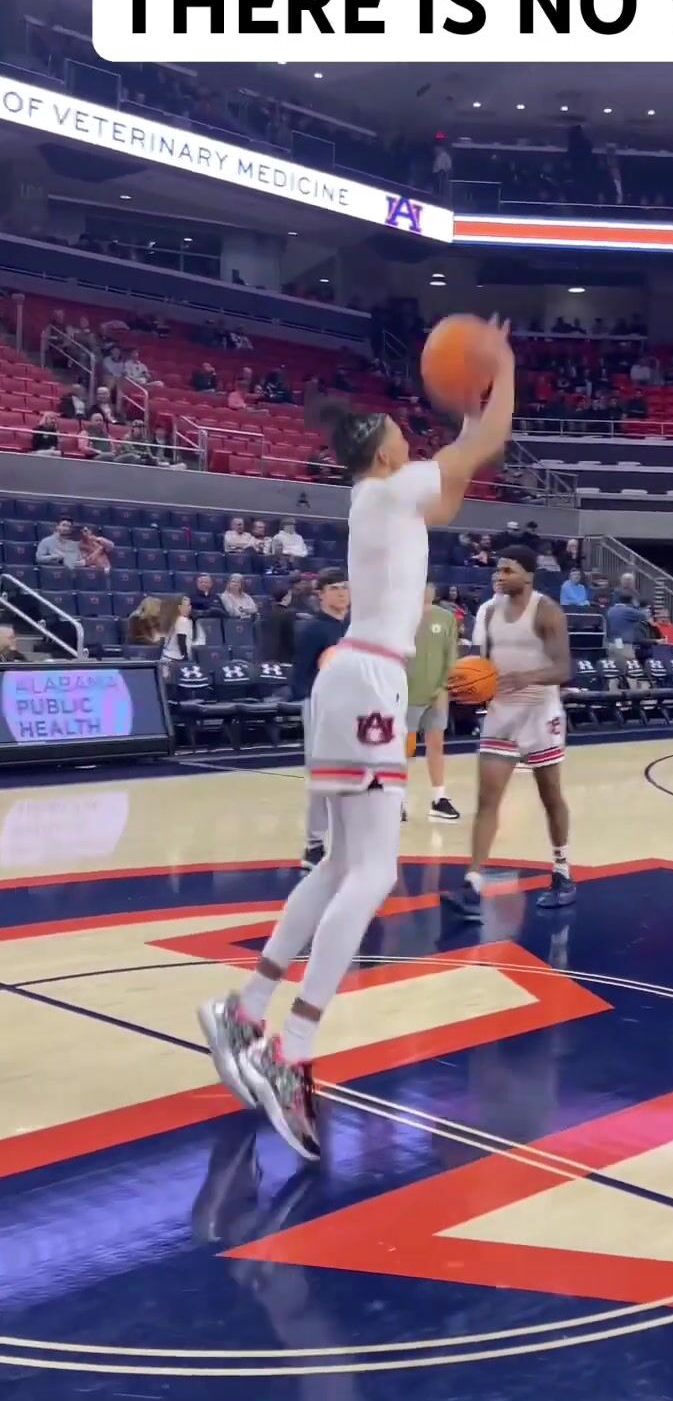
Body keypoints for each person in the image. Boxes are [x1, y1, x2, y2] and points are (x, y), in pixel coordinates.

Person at [198, 322, 516, 1160]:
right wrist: (503, 368)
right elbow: (485, 446)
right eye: (403, 435)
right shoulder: (387, 489)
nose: (413, 439)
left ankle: (245, 1010)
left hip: (354, 678)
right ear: (383, 453)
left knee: (342, 865)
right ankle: (290, 1051)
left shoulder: (383, 497)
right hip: (371, 681)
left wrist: (469, 411)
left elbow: (454, 487)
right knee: (371, 873)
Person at [442, 543, 573, 921]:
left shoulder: (546, 611)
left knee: (551, 796)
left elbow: (563, 668)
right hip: (501, 712)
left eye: (507, 570)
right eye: (497, 569)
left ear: (528, 576)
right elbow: (478, 664)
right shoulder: (486, 611)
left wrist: (527, 677)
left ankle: (562, 870)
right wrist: (464, 684)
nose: (498, 576)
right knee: (487, 799)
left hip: (540, 711)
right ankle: (472, 882)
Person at [288, 567, 350, 871]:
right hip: (320, 705)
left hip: (352, 706)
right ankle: (313, 845)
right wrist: (314, 704)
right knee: (322, 776)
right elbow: (300, 677)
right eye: (334, 588)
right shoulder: (313, 629)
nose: (341, 593)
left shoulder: (355, 628)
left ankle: (345, 842)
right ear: (320, 595)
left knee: (351, 776)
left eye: (345, 587)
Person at [405, 582, 459, 824]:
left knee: (436, 745)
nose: (424, 589)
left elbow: (451, 656)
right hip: (407, 693)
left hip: (437, 694)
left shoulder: (446, 618)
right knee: (404, 749)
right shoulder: (401, 616)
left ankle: (439, 799)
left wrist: (444, 687)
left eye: (428, 584)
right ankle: (397, 800)